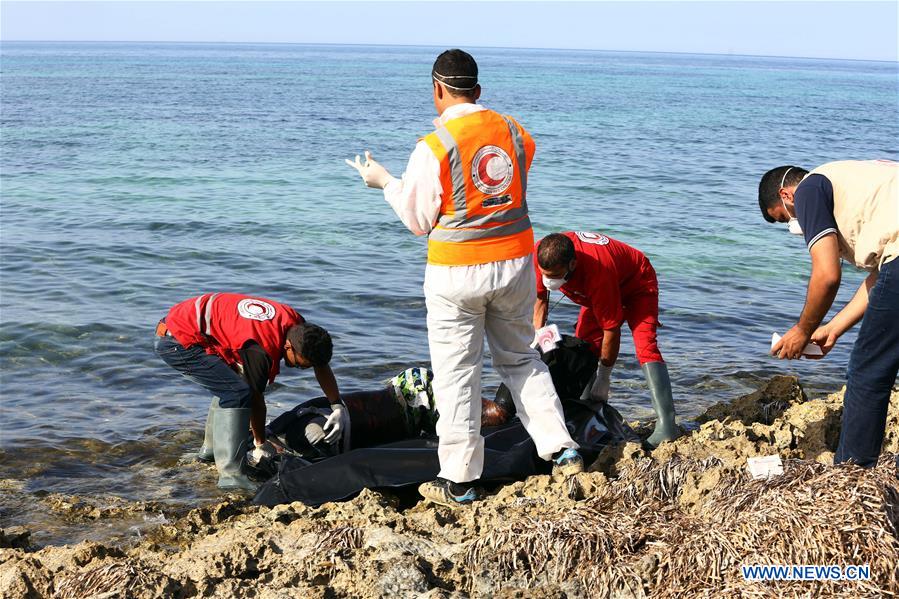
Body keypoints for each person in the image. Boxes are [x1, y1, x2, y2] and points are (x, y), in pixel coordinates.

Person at [345, 48, 582, 507]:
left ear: (437, 89)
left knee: (458, 374)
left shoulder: (434, 146)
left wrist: (384, 182)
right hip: (514, 262)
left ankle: (460, 480)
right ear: (478, 90)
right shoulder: (515, 132)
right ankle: (562, 448)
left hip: (456, 271)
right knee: (521, 359)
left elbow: (418, 220)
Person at [759, 160, 898, 468]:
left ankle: (852, 470)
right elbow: (883, 278)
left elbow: (827, 275)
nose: (794, 224)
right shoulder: (859, 184)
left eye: (785, 217)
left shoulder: (809, 189)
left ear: (786, 195)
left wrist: (802, 331)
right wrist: (833, 328)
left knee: (868, 371)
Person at [155, 292, 343, 490]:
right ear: (288, 347)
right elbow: (255, 400)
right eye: (301, 364)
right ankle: (231, 476)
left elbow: (320, 364)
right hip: (175, 340)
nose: (303, 369)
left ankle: (211, 452)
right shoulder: (261, 351)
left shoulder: (299, 329)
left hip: (188, 326)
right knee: (237, 393)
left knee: (229, 384)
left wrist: (337, 405)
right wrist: (261, 444)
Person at [533, 232, 679, 447]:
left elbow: (611, 330)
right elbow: (540, 300)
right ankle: (586, 407)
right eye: (545, 274)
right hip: (599, 287)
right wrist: (535, 341)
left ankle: (667, 426)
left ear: (572, 264)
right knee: (584, 344)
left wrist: (604, 377)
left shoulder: (598, 274)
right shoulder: (541, 255)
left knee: (645, 345)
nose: (549, 280)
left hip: (636, 283)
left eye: (555, 275)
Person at [265, 367, 512, 457]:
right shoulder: (303, 427)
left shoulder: (307, 420)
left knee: (498, 414)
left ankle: (524, 361)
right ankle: (523, 362)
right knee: (496, 415)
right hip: (410, 404)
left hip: (414, 396)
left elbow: (280, 423)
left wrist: (265, 436)